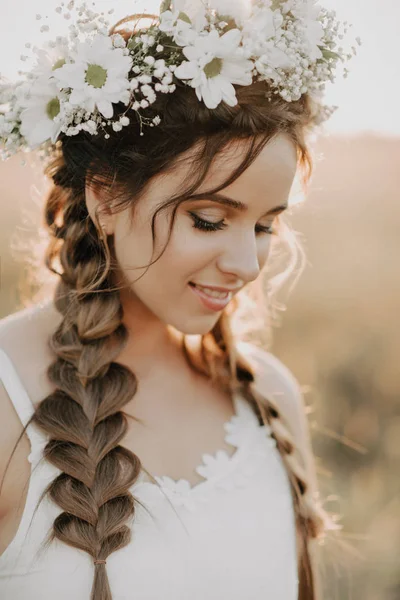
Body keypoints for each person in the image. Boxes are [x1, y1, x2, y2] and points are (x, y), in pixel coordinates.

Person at [0, 1, 360, 599]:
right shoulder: (6, 399)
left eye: (266, 226)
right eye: (211, 220)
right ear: (107, 197)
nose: (247, 266)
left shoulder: (268, 397)